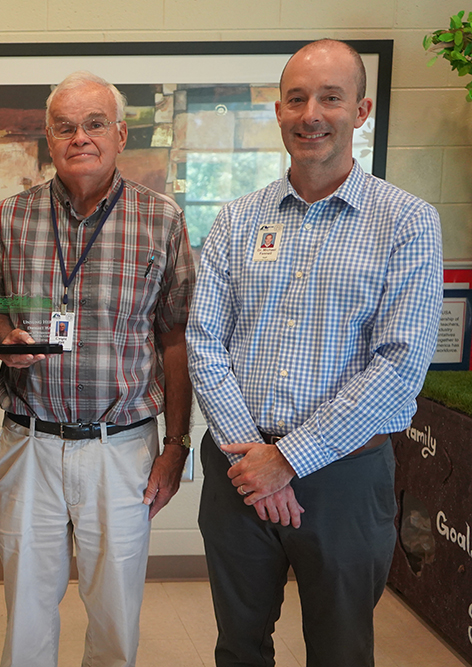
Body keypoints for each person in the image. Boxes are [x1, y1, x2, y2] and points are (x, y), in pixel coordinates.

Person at [186, 39, 443, 667]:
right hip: (237, 472)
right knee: (239, 647)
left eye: (330, 97)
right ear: (277, 111)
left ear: (361, 110)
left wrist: (288, 459)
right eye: (297, 99)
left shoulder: (407, 222)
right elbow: (204, 343)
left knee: (341, 649)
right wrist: (258, 461)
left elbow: (400, 366)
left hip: (346, 478)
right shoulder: (237, 219)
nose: (312, 114)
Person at [0, 71, 196, 667]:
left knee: (116, 614)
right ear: (49, 139)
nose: (81, 137)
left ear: (120, 133)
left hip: (121, 448)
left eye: (95, 123)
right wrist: (3, 339)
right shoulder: (8, 218)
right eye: (65, 127)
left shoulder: (162, 220)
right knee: (25, 611)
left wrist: (177, 447)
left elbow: (176, 339)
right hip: (31, 443)